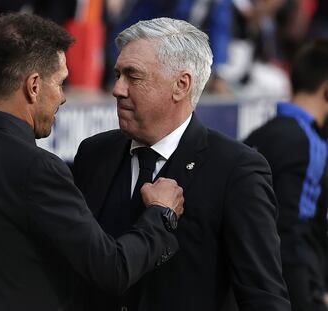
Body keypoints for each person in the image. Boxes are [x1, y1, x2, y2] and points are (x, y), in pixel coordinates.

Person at [0, 13, 185, 311]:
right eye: (60, 83)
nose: (63, 98)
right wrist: (161, 215)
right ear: (33, 86)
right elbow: (113, 269)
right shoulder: (38, 170)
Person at [73, 17, 290, 311]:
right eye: (117, 74)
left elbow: (263, 297)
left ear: (181, 85)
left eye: (132, 76)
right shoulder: (94, 153)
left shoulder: (236, 170)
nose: (117, 89)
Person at [245, 39, 328, 311]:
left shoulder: (257, 136)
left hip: (252, 286)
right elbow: (293, 231)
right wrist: (311, 296)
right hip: (295, 292)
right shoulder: (311, 144)